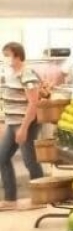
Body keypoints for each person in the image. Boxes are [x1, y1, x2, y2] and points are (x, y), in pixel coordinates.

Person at [1, 41, 44, 211]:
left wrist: (24, 128)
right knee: (2, 158)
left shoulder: (27, 74)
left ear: (17, 55)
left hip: (25, 123)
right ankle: (10, 199)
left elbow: (33, 103)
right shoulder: (12, 73)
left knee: (30, 160)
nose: (5, 58)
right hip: (13, 123)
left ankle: (39, 199)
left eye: (7, 55)